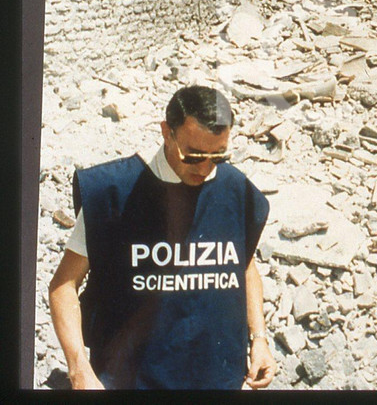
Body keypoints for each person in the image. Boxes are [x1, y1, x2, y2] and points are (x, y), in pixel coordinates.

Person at [48, 86, 274, 389]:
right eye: (193, 155)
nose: (205, 168)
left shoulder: (236, 190)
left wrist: (259, 337)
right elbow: (64, 285)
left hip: (218, 379)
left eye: (217, 155)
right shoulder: (113, 194)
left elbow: (243, 265)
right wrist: (79, 370)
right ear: (167, 132)